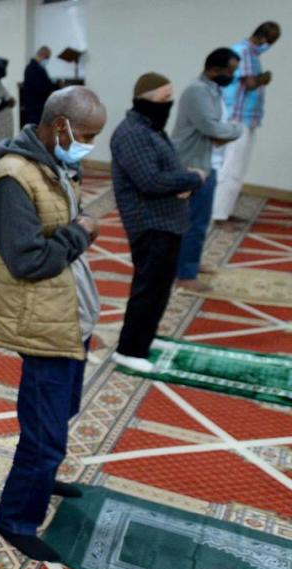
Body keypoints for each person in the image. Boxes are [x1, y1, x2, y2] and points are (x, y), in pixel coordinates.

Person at [0, 86, 106, 562]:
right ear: (58, 126)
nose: (89, 144)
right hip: (42, 319)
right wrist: (80, 233)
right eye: (86, 135)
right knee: (44, 430)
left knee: (62, 409)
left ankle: (42, 478)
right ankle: (16, 518)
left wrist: (74, 228)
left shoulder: (54, 165)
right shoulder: (13, 178)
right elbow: (27, 260)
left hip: (66, 314)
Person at [110, 73, 208, 373]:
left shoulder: (151, 128)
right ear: (143, 101)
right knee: (148, 288)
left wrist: (182, 180)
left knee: (158, 288)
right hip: (150, 223)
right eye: (164, 99)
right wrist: (193, 178)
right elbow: (150, 180)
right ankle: (129, 350)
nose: (169, 105)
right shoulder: (133, 133)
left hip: (166, 221)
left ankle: (144, 340)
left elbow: (166, 172)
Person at [172, 50, 245, 292]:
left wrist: (225, 131)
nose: (232, 75)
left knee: (199, 220)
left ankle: (189, 262)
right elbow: (212, 128)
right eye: (230, 70)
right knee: (195, 221)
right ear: (213, 69)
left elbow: (218, 130)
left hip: (207, 162)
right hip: (194, 165)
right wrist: (235, 130)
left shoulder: (213, 89)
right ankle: (186, 274)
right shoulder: (197, 91)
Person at [213, 21, 281, 226]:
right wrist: (265, 78)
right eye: (270, 41)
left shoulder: (250, 54)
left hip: (246, 118)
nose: (269, 46)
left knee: (238, 168)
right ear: (261, 38)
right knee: (231, 167)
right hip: (237, 119)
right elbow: (249, 83)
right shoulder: (243, 52)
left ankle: (226, 211)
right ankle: (218, 215)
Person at [23, 46, 55, 126]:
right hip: (36, 109)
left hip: (33, 109)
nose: (47, 60)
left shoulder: (31, 68)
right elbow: (42, 88)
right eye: (47, 57)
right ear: (43, 55)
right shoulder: (35, 69)